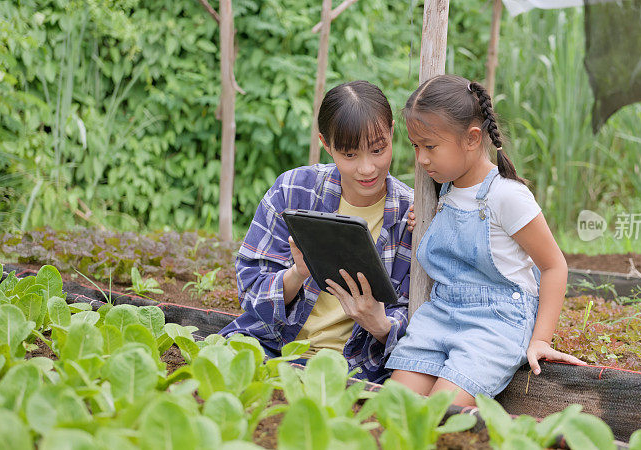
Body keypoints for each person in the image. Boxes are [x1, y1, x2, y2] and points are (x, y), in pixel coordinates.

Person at [385, 74, 585, 406]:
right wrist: (427, 222)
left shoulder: (507, 196)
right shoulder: (445, 187)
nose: (421, 159)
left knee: (442, 416)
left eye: (430, 146)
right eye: (415, 146)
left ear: (473, 138)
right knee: (393, 405)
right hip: (442, 314)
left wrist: (541, 340)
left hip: (494, 324)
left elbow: (554, 265)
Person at [220, 80, 415, 383]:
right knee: (218, 365)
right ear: (326, 144)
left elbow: (420, 315)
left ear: (391, 132)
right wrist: (297, 273)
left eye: (378, 150)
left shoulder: (412, 215)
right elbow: (249, 287)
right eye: (350, 155)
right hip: (273, 347)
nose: (367, 168)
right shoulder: (293, 190)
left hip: (356, 368)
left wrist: (380, 325)